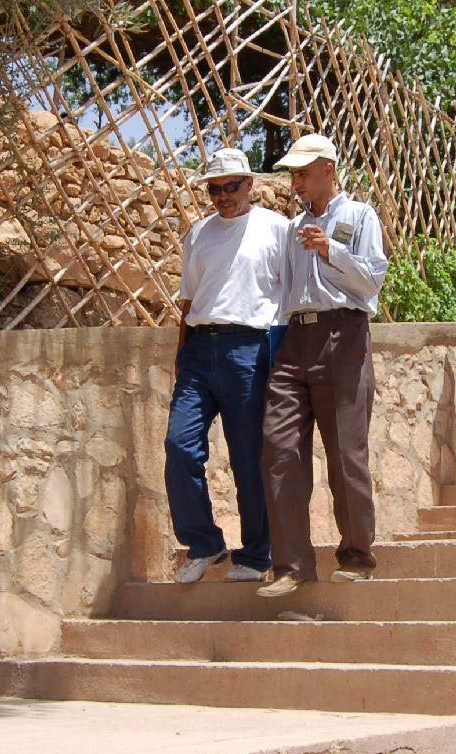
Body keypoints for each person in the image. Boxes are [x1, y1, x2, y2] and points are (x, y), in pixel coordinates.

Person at [257, 133, 389, 597]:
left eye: (303, 173)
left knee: (345, 454)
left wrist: (332, 249)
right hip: (297, 339)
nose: (295, 181)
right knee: (279, 449)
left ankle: (357, 556)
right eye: (292, 174)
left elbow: (373, 279)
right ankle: (291, 565)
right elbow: (285, 291)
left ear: (328, 170)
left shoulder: (358, 216)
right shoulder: (293, 229)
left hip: (344, 335)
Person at [164, 148, 288, 584]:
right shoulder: (198, 234)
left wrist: (282, 358)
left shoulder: (277, 229)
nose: (223, 196)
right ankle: (205, 542)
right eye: (214, 189)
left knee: (248, 458)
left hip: (250, 349)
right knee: (179, 446)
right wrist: (182, 357)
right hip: (200, 350)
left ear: (249, 184)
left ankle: (256, 554)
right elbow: (188, 299)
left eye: (231, 186)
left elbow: (290, 298)